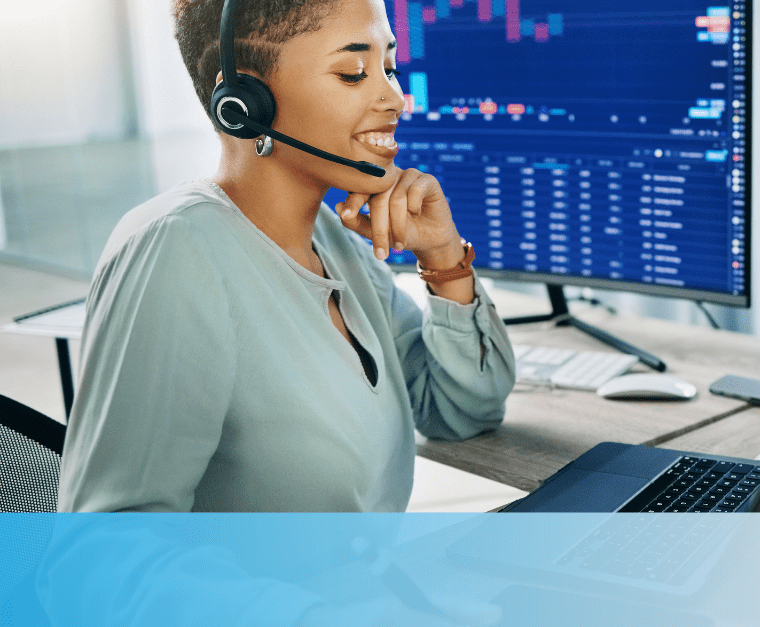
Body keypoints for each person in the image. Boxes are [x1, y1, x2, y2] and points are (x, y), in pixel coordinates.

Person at [56, 0, 516, 512]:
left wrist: (444, 257)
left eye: (389, 67)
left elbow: (461, 409)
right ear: (245, 101)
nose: (395, 97)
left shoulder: (329, 237)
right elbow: (111, 554)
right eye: (353, 72)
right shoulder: (175, 251)